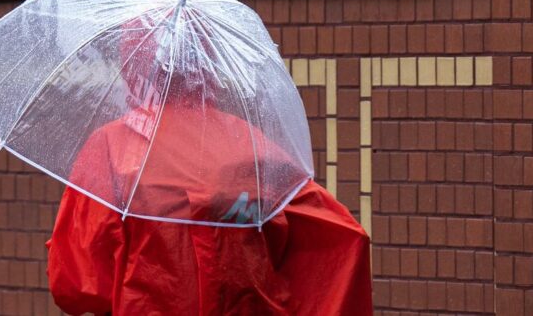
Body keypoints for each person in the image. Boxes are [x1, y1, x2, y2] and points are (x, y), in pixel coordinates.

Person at [45, 16, 373, 315]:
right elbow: (340, 237)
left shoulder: (114, 150)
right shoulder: (251, 144)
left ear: (136, 66)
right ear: (207, 63)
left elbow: (75, 283)